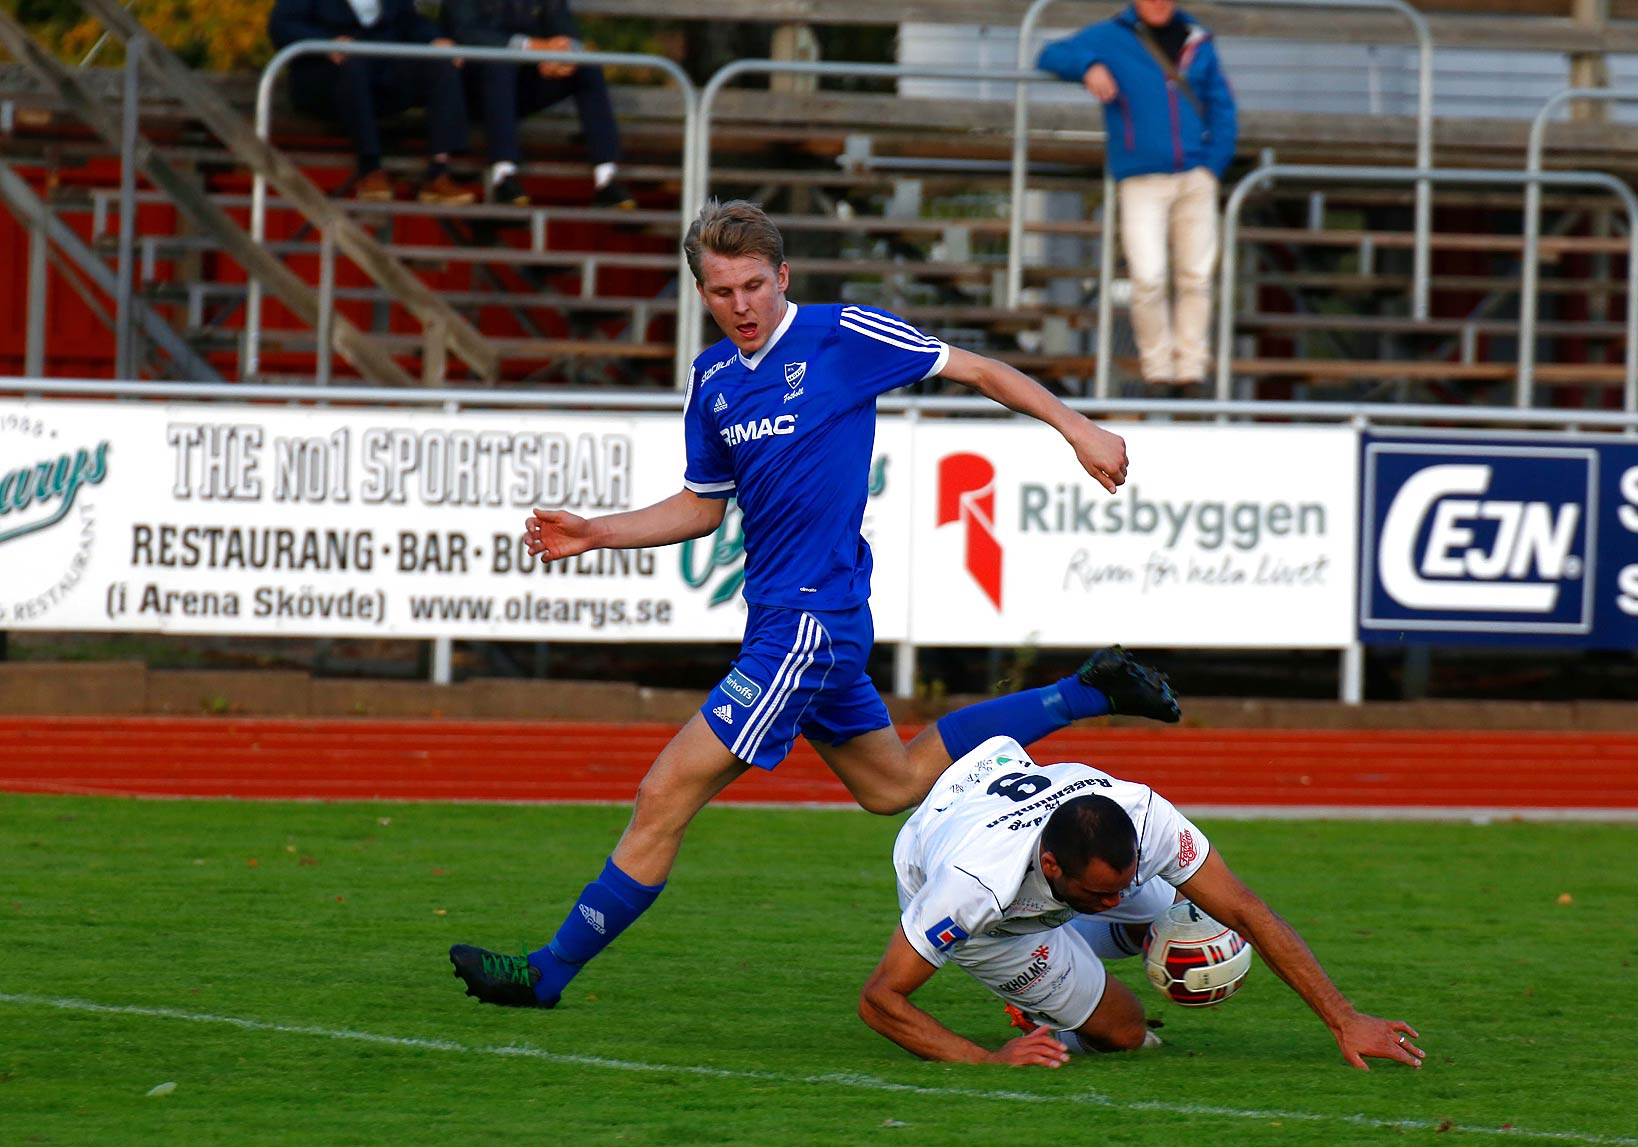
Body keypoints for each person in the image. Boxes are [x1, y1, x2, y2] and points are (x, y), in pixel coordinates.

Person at [449, 198, 1169, 1010]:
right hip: (782, 621)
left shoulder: (844, 335)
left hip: (808, 625)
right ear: (703, 294)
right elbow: (700, 505)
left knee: (663, 793)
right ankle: (1089, 691)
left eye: (755, 285)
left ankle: (549, 971)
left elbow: (975, 368)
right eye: (722, 293)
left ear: (782, 276)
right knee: (891, 783)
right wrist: (594, 533)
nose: (742, 306)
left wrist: (1078, 428)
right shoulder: (714, 379)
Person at [859, 736, 1425, 1069]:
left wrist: (1344, 1019)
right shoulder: (969, 890)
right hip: (975, 894)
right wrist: (990, 1061)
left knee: (1191, 916)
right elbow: (882, 999)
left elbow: (1246, 911)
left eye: (1124, 884)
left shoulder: (1146, 818)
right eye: (1099, 894)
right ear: (1051, 867)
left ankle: (1071, 956)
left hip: (1006, 796)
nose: (1114, 898)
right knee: (1124, 1033)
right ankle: (1041, 1005)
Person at [1038, 0, 1238, 399]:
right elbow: (1049, 54)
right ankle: (1158, 369)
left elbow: (1221, 104)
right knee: (1148, 277)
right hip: (1140, 178)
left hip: (1195, 175)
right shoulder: (1110, 36)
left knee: (1196, 277)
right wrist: (1089, 66)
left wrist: (1212, 164)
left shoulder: (1197, 38)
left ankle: (1191, 371)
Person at [269, 0, 481, 203]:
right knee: (354, 65)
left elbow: (407, 20)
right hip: (328, 76)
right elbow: (283, 26)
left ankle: (439, 172)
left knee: (442, 65)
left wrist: (434, 40)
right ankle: (370, 168)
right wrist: (326, 42)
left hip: (381, 71)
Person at [437, 0, 636, 209]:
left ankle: (606, 177)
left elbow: (563, 24)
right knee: (499, 64)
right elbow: (467, 32)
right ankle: (503, 176)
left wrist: (564, 53)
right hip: (471, 89)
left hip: (523, 82)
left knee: (587, 68)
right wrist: (533, 47)